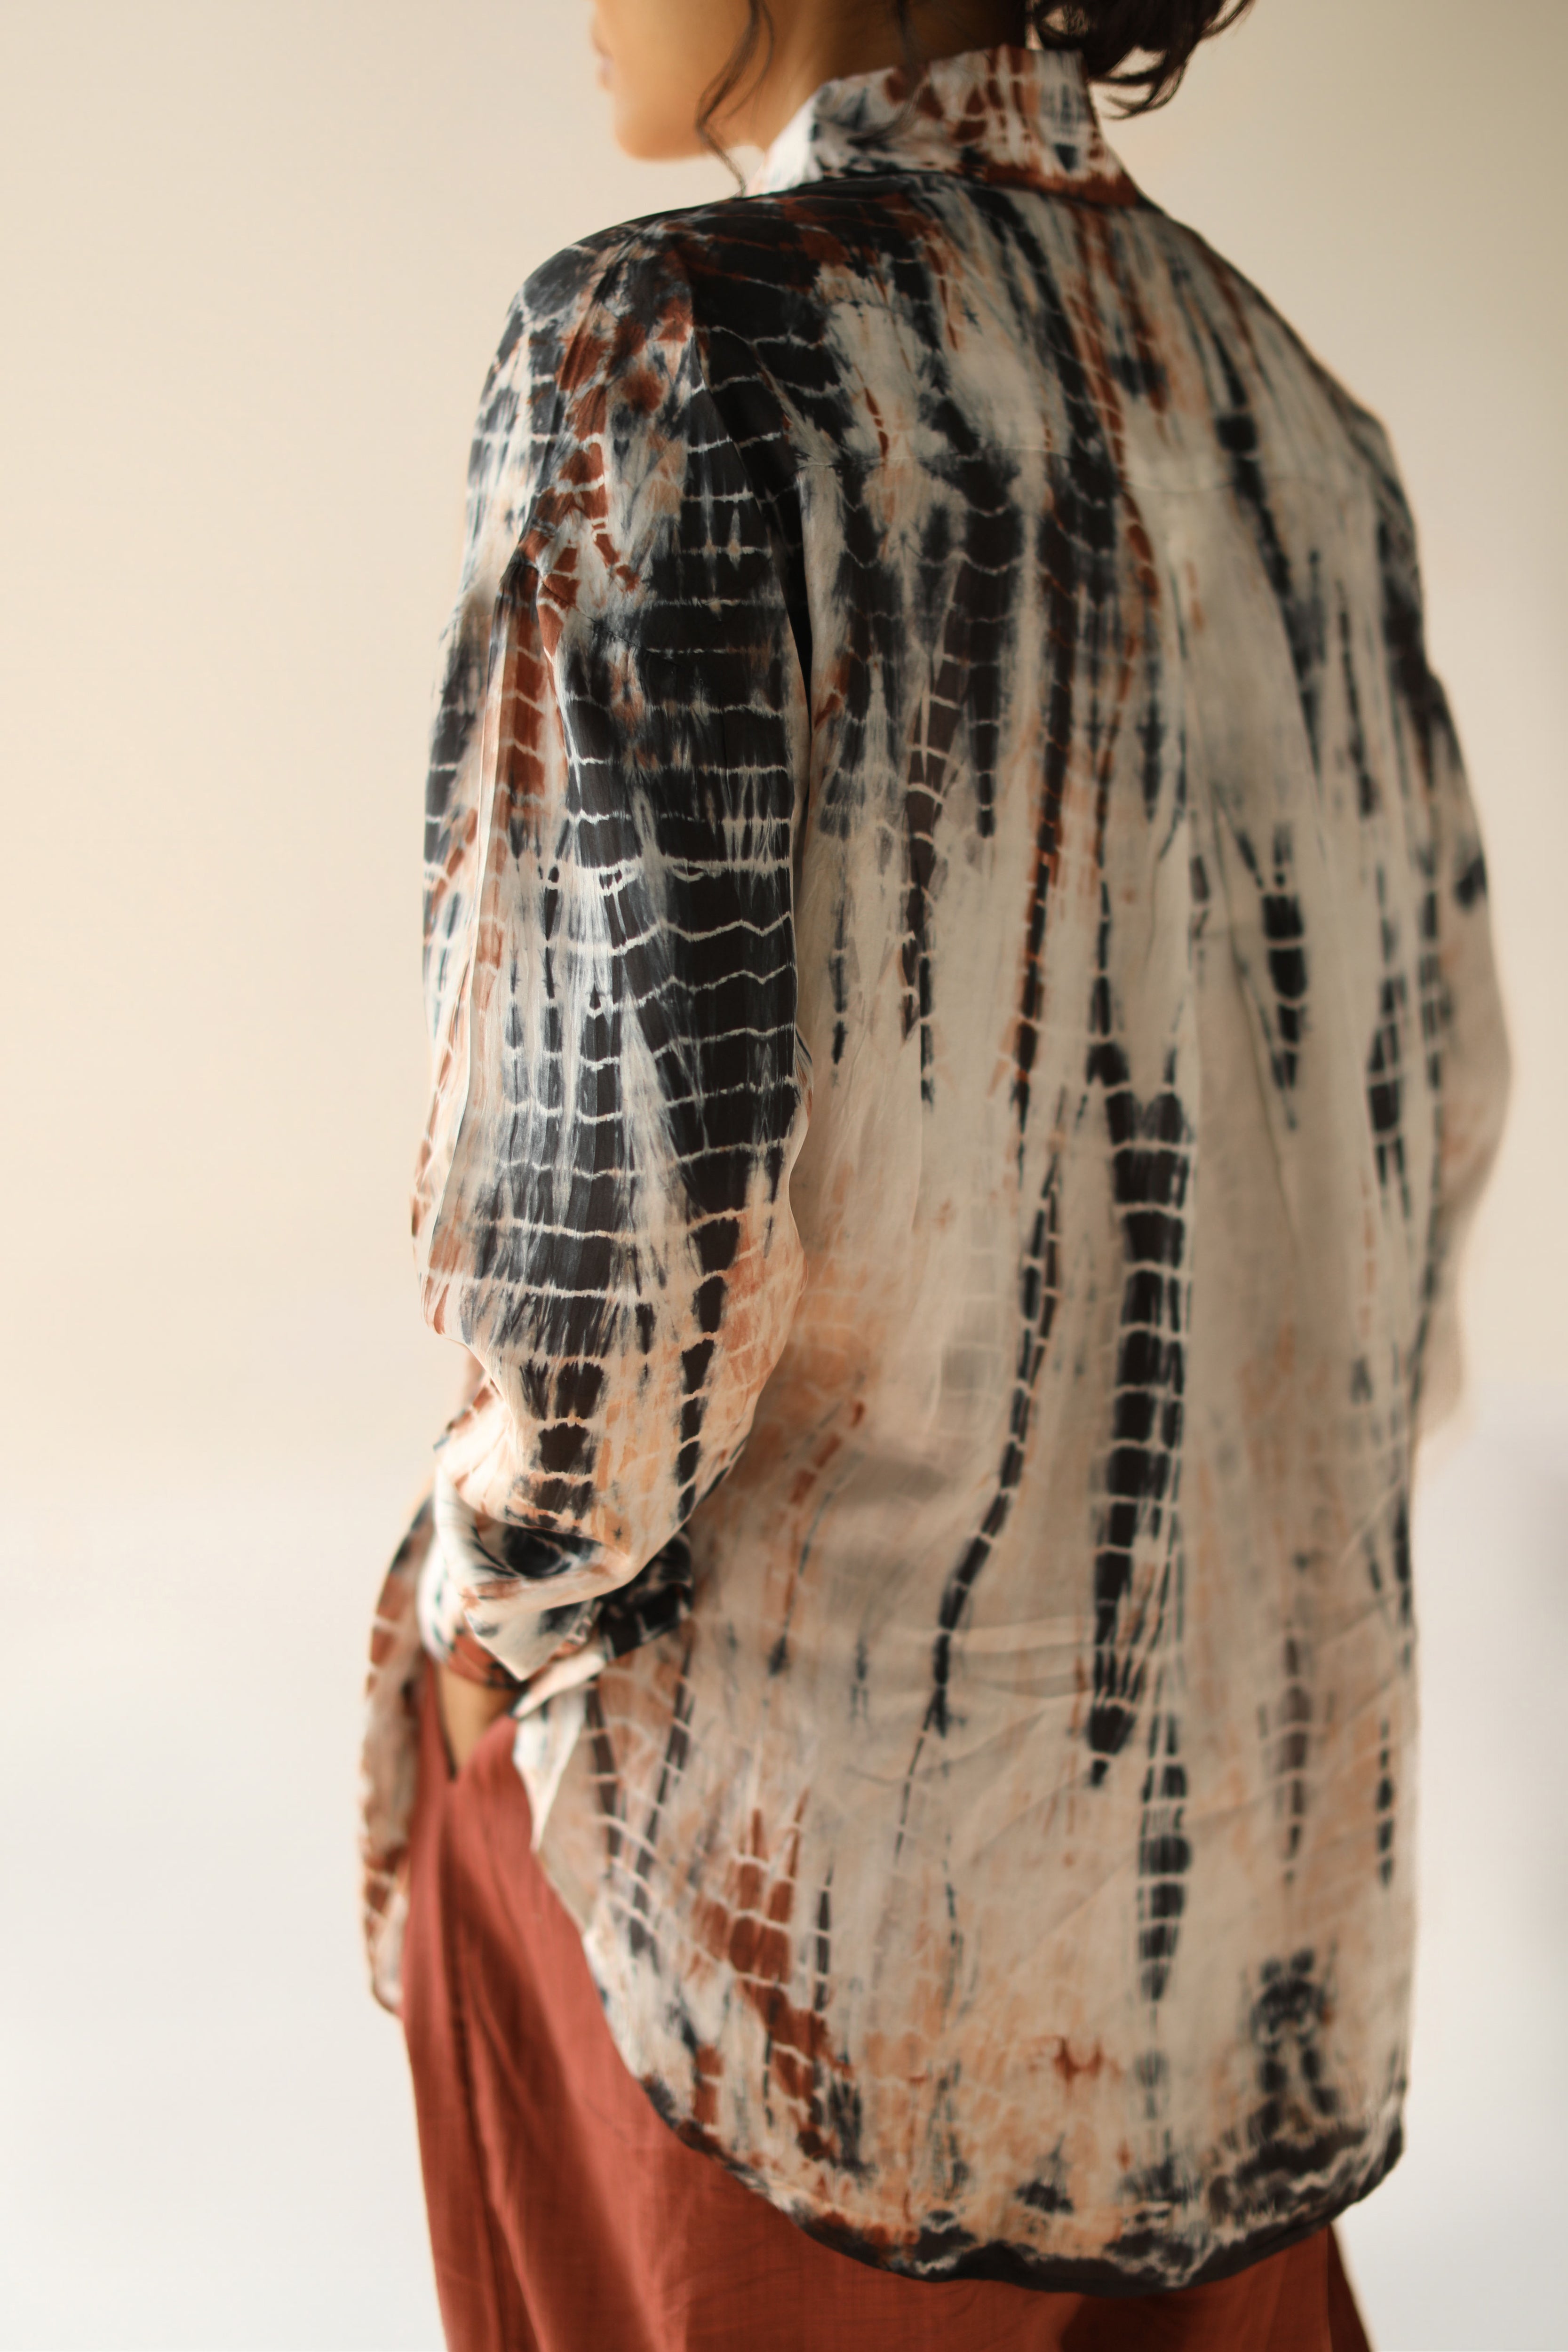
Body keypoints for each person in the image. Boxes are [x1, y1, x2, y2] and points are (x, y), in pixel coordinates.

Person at [360, 0, 1509, 2343]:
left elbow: (603, 1270)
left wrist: (478, 1630)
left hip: (778, 1963)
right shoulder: (1305, 424)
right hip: (1239, 1964)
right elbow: (1432, 1118)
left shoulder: (668, 352)